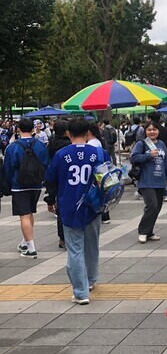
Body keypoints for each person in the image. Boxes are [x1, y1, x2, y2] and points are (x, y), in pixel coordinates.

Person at [44, 118, 110, 305]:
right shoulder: (98, 152)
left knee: (75, 249)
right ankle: (90, 279)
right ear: (88, 131)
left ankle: (80, 292)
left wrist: (51, 200)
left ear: (68, 133)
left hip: (69, 205)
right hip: (93, 205)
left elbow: (50, 178)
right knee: (92, 244)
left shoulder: (61, 154)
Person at [3, 118, 49, 259]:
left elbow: (8, 168)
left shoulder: (12, 147)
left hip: (19, 184)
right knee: (29, 213)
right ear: (33, 128)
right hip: (36, 184)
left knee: (24, 215)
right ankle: (25, 242)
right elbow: (46, 164)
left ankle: (31, 248)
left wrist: (7, 184)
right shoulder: (41, 146)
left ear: (18, 129)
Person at [130, 121, 167, 244]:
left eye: (154, 129)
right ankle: (143, 231)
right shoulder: (142, 143)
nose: (152, 132)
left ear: (158, 131)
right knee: (152, 205)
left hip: (160, 181)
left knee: (157, 207)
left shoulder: (161, 144)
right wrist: (148, 155)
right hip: (146, 180)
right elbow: (134, 157)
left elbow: (166, 162)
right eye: (149, 130)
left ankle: (149, 231)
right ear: (145, 132)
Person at [47, 120, 71, 249]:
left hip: (56, 179)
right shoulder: (68, 145)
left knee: (60, 209)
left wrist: (50, 198)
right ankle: (69, 236)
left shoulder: (51, 143)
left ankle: (62, 238)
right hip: (68, 178)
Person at [148, 111, 167, 201]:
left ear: (150, 119)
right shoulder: (165, 130)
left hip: (152, 155)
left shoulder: (148, 131)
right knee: (163, 172)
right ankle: (165, 193)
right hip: (165, 153)